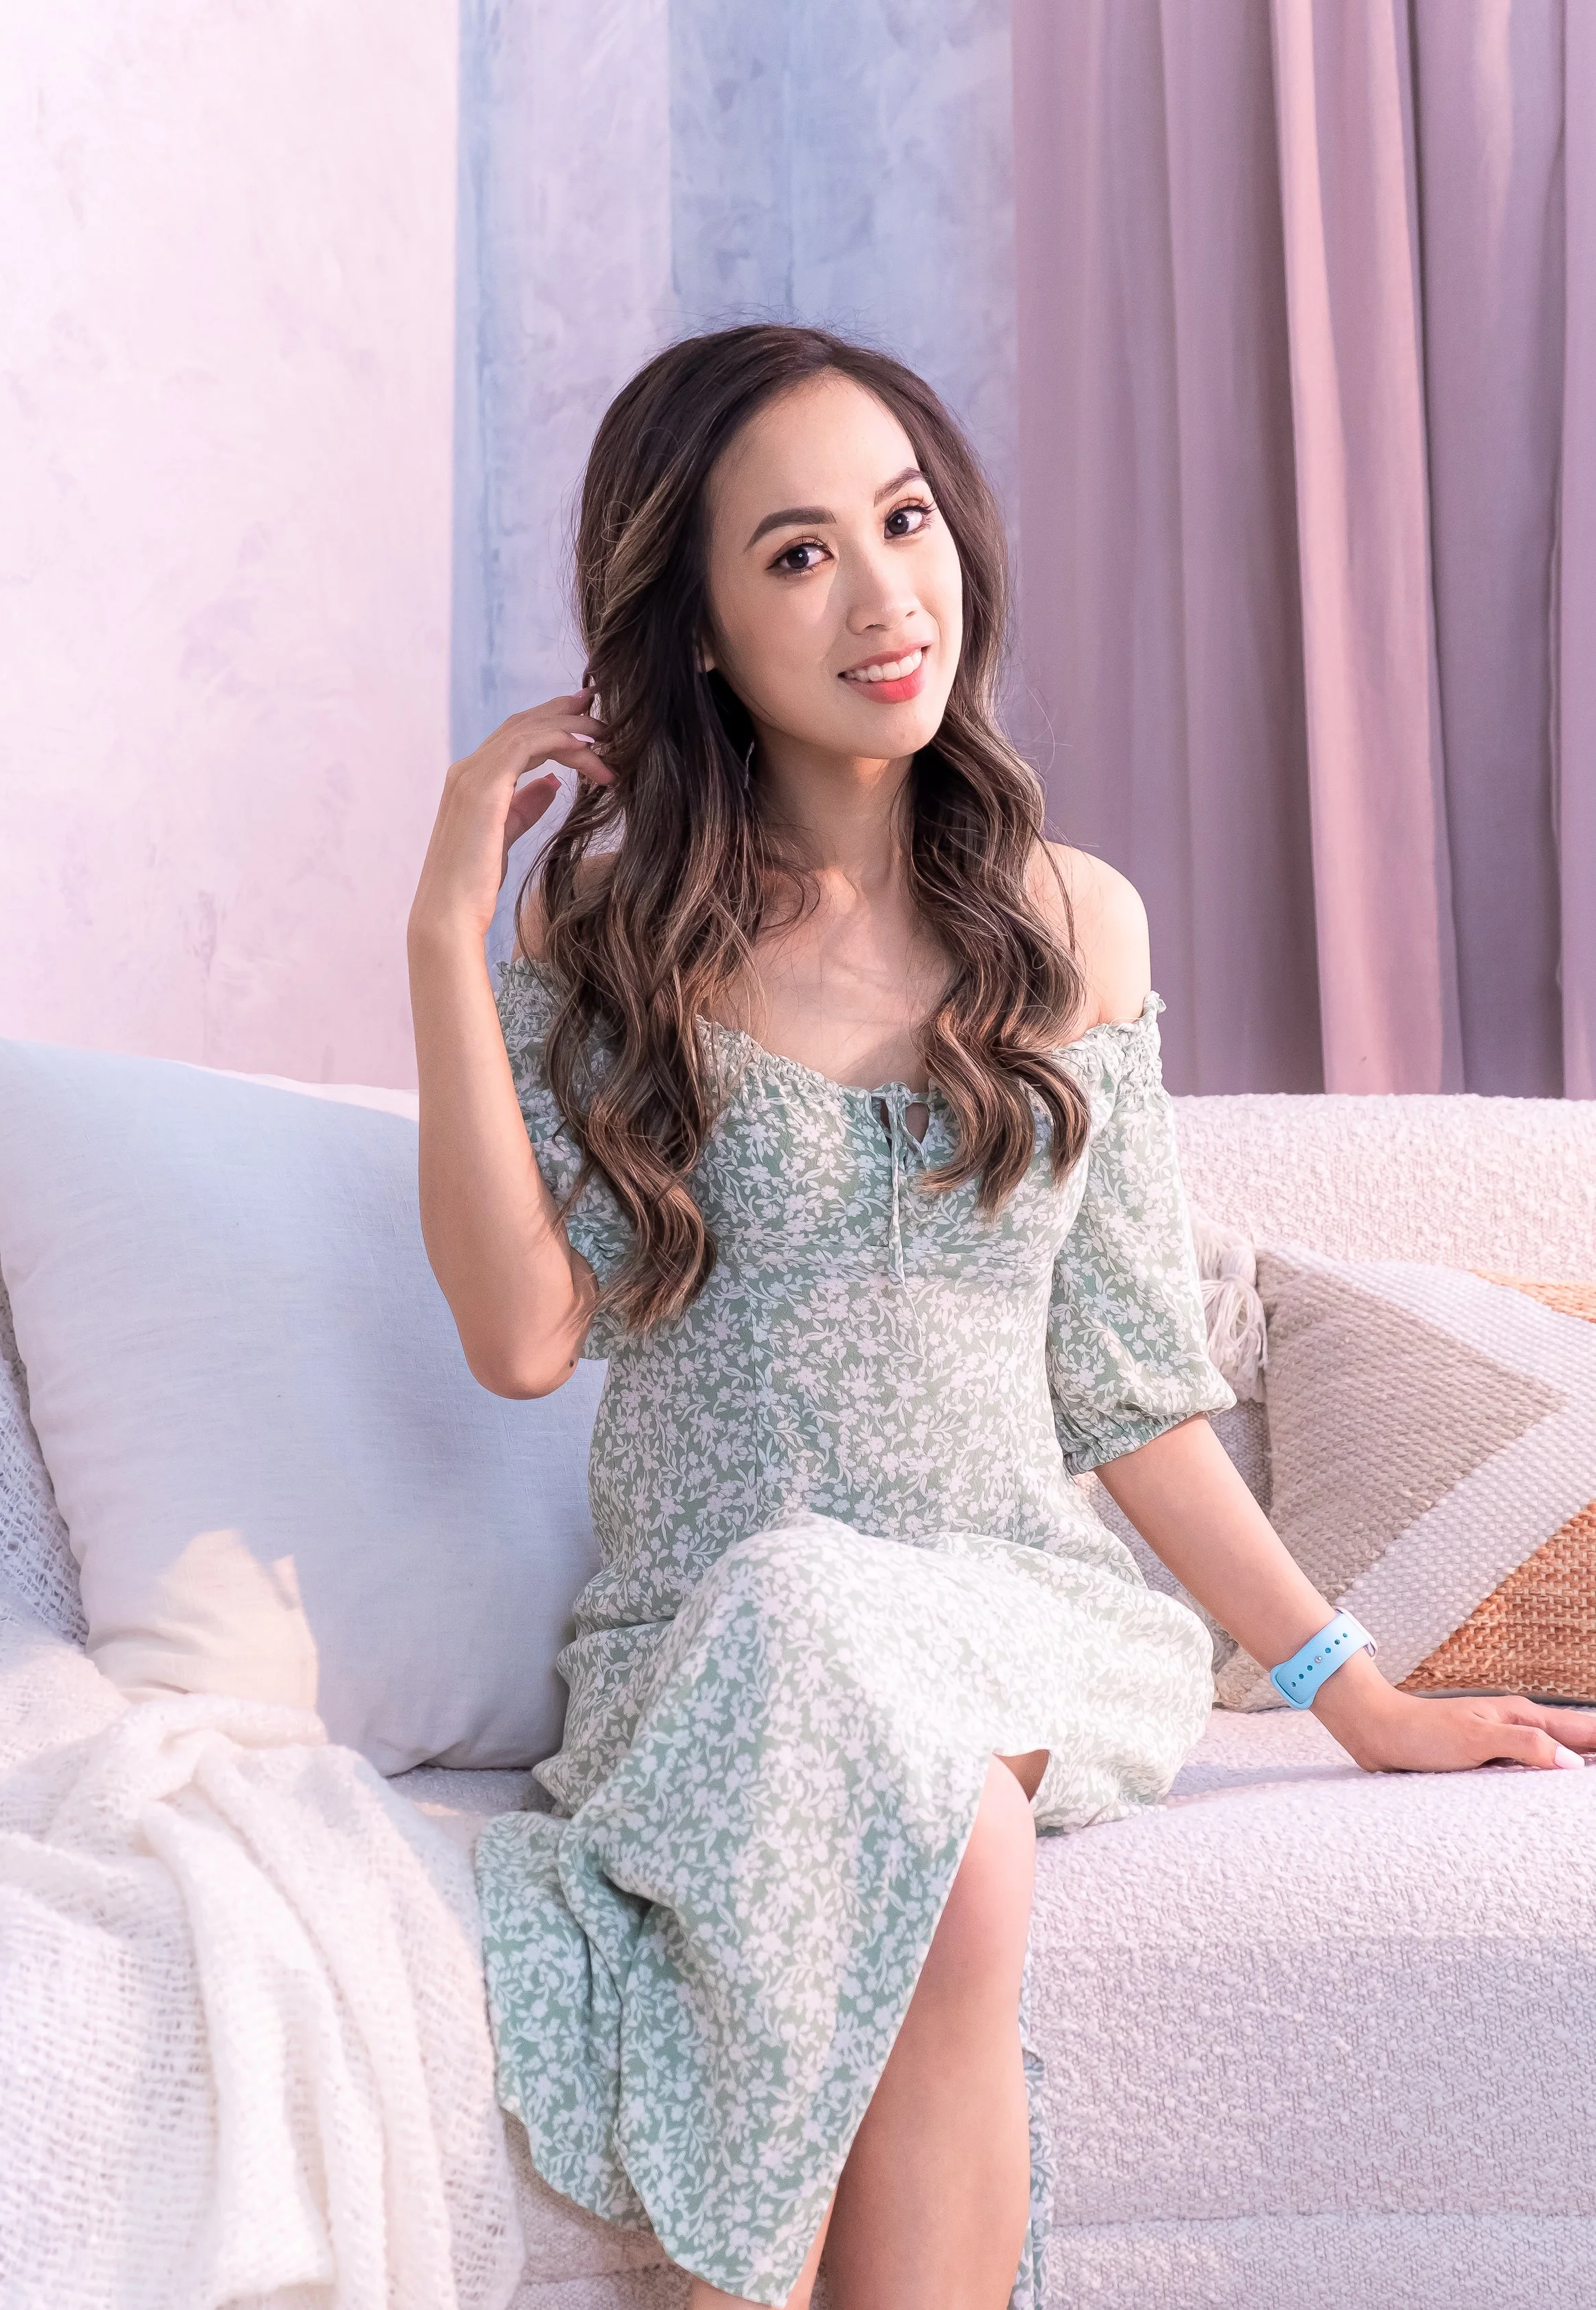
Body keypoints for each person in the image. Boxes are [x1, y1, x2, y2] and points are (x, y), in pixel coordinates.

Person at [405, 325, 1596, 2310]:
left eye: (901, 518)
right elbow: (523, 1339)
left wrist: (1350, 1695)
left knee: (887, 1687)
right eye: (793, 554)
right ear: (692, 625)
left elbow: (1127, 1385)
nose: (883, 594)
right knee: (914, 1786)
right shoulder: (603, 934)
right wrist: (452, 922)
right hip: (710, 1637)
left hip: (1017, 1608)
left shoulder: (1071, 925)